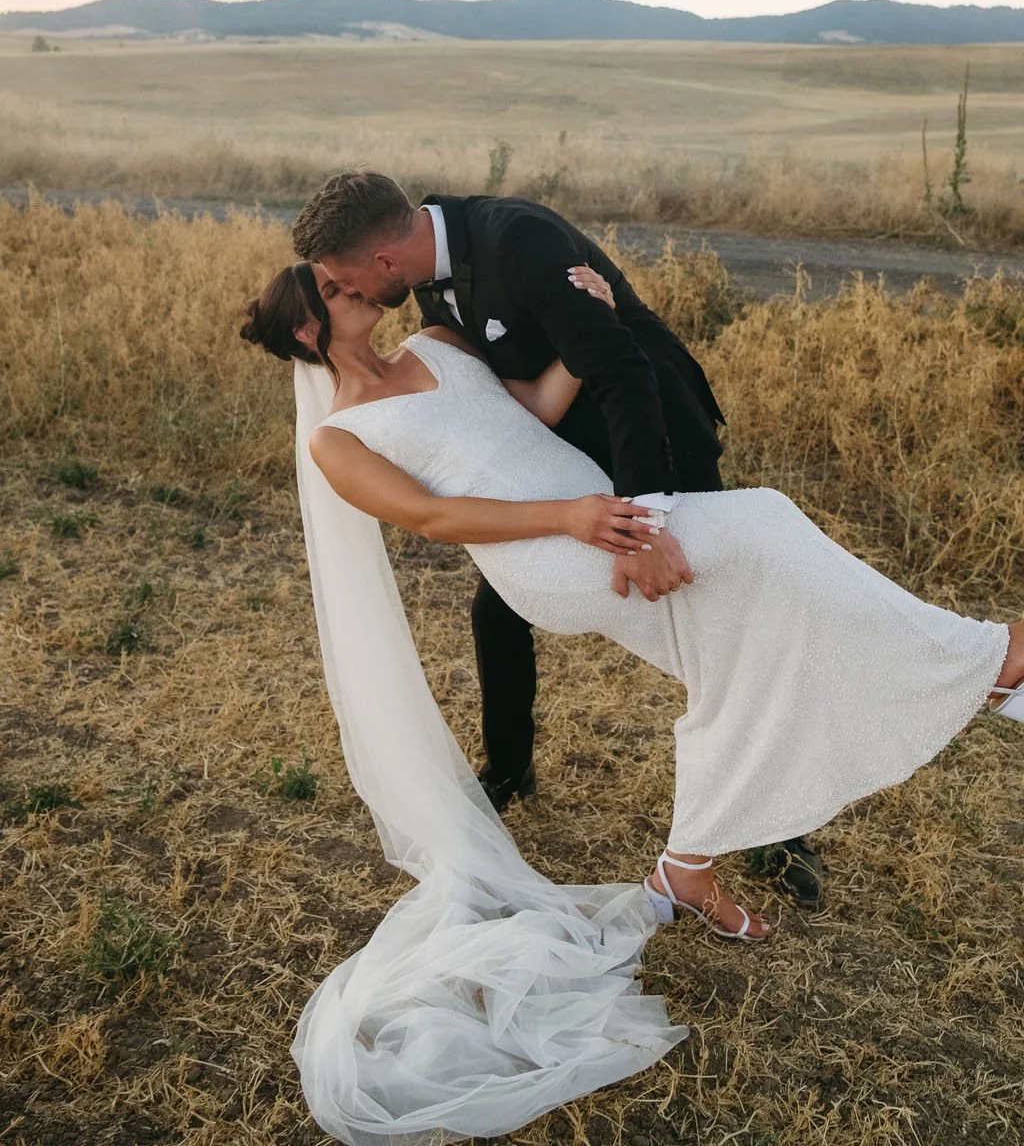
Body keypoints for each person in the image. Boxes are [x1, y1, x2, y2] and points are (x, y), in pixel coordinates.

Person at [240, 257, 1022, 1144]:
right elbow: (438, 520)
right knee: (764, 523)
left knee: (742, 655)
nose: (364, 291)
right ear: (310, 329)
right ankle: (993, 664)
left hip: (598, 514)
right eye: (340, 293)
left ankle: (687, 871)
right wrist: (569, 518)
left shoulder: (436, 339)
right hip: (554, 550)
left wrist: (588, 327)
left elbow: (530, 410)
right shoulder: (338, 438)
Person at [290, 173, 825, 905]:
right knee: (496, 613)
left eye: (341, 279)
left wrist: (643, 515)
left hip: (652, 441)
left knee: (724, 621)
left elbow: (620, 371)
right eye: (330, 290)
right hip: (560, 471)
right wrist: (563, 504)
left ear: (381, 261)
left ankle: (783, 828)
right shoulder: (427, 286)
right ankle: (508, 769)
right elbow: (509, 395)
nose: (342, 289)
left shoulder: (519, 238)